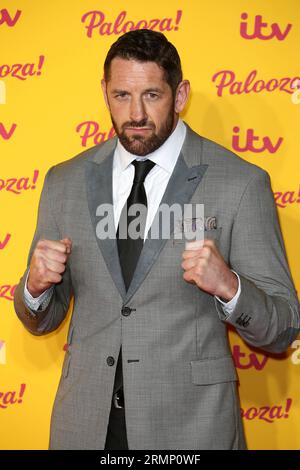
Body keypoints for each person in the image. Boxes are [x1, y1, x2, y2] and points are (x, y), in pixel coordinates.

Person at [14, 29, 300, 450]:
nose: (135, 114)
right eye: (121, 96)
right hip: (85, 427)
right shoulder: (64, 182)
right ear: (105, 93)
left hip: (192, 428)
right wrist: (34, 290)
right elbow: (42, 319)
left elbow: (283, 327)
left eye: (151, 95)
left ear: (180, 94)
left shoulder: (240, 183)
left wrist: (230, 287)